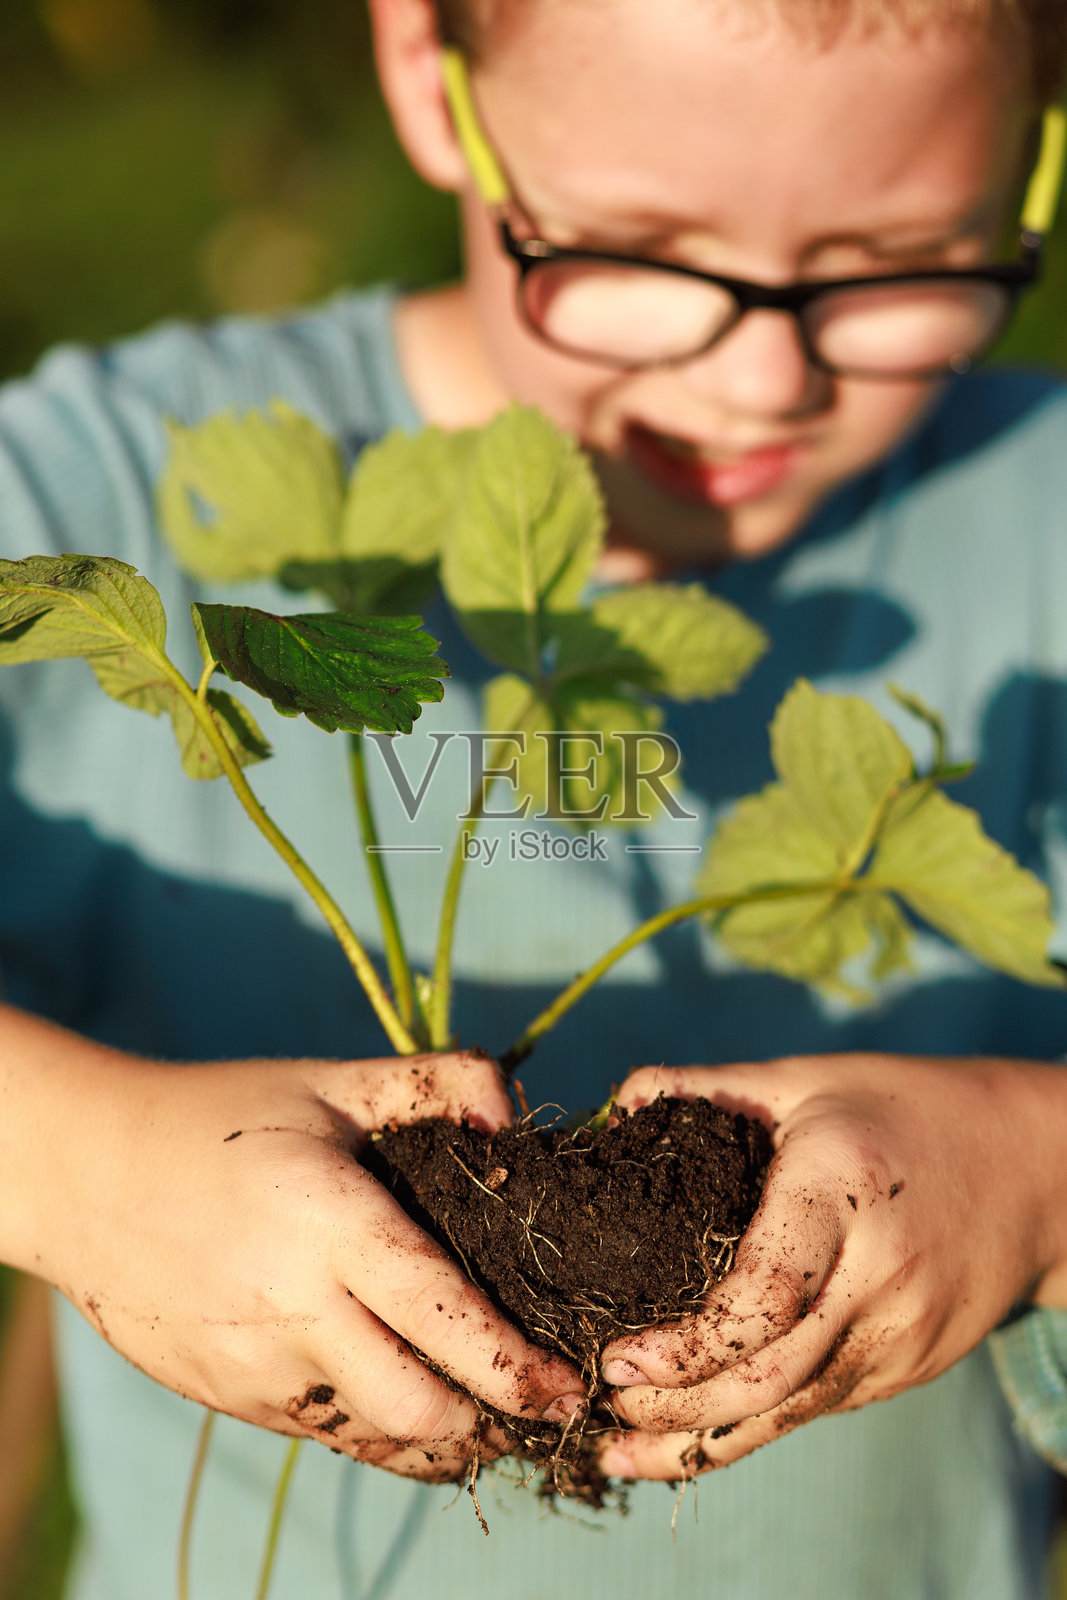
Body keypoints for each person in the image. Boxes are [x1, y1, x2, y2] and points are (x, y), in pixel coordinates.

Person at [2, 0, 1067, 1594]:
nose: (766, 377)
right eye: (638, 252)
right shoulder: (89, 482)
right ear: (430, 84)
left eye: (900, 261)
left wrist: (1038, 1180)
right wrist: (88, 1175)